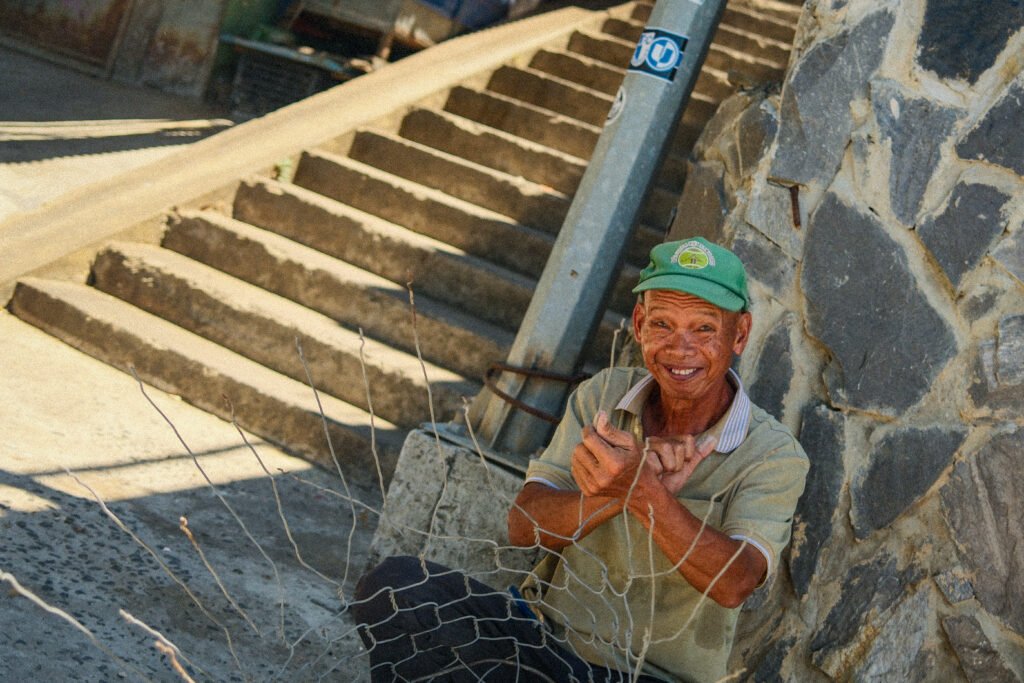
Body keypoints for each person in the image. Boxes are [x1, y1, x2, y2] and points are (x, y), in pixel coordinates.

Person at [353, 238, 809, 682]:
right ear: (639, 323)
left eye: (705, 328)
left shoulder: (772, 454)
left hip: (647, 675)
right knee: (396, 589)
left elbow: (736, 583)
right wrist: (619, 491)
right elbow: (524, 525)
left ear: (741, 334)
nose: (680, 348)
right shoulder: (603, 396)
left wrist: (644, 492)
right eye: (663, 324)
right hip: (542, 646)